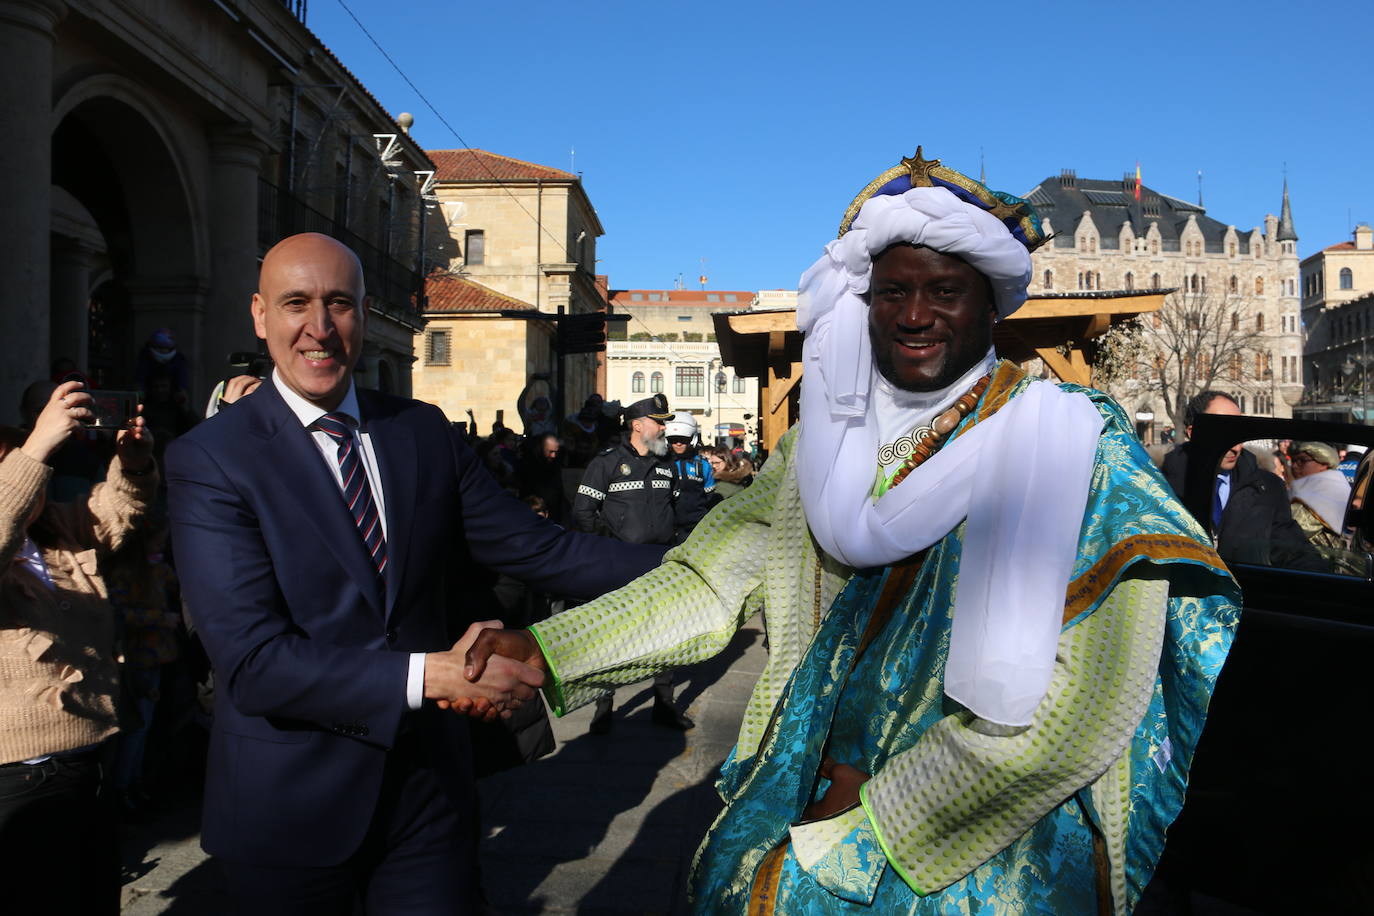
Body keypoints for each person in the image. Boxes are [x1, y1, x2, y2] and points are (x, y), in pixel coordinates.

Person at [466, 150, 1243, 914]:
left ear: (991, 305)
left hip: (971, 848)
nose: (914, 315)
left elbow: (1082, 706)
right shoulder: (822, 447)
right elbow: (709, 582)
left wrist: (879, 812)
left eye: (945, 290)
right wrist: (551, 651)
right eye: (893, 290)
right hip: (797, 799)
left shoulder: (1075, 449)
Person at [164, 232, 666, 914]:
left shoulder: (422, 431)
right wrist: (434, 674)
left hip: (427, 797)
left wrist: (701, 564)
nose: (318, 328)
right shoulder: (212, 459)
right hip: (289, 807)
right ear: (259, 315)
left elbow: (542, 550)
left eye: (339, 303)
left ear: (365, 315)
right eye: (295, 304)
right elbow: (252, 663)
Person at [0, 382, 157, 915]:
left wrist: (132, 465)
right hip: (19, 780)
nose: (28, 482)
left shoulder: (53, 530)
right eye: (12, 469)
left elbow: (117, 512)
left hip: (88, 763)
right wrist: (37, 446)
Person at [571, 394, 694, 733]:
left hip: (660, 562)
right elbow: (583, 511)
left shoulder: (667, 464)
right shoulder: (606, 463)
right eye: (659, 422)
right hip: (619, 563)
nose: (665, 428)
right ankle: (603, 706)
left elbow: (677, 509)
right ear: (638, 426)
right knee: (611, 635)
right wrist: (610, 546)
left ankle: (664, 704)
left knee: (665, 634)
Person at [1161, 391, 1322, 570]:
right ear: (1194, 432)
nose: (1236, 446)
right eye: (1225, 433)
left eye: (1239, 434)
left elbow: (1293, 549)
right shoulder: (1159, 485)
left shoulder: (1268, 488)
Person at [1288, 441, 1355, 562]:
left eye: (1302, 460)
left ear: (1324, 464)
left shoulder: (1323, 492)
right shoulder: (1338, 484)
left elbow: (1286, 531)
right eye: (1293, 461)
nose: (1294, 466)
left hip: (1320, 567)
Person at [665, 412, 719, 540]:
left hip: (697, 526)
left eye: (684, 439)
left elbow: (709, 497)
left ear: (693, 439)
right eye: (674, 439)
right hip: (670, 527)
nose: (678, 443)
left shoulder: (703, 465)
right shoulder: (662, 464)